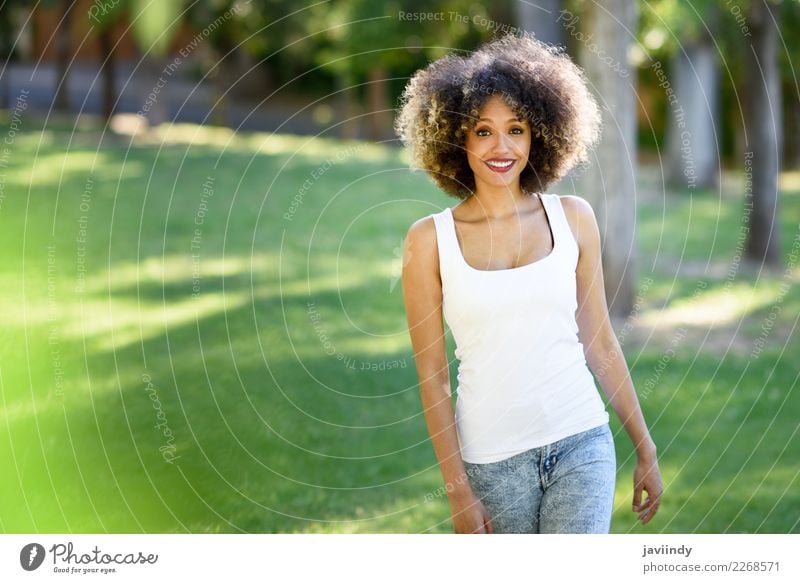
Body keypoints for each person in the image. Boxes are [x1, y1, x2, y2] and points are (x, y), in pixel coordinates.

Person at [395, 34, 663, 534]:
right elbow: (431, 378)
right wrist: (458, 492)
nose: (502, 147)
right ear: (456, 139)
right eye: (483, 132)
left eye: (516, 129)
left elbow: (600, 341)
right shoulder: (430, 241)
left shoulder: (574, 219)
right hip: (492, 461)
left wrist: (645, 448)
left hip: (580, 438)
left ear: (540, 134)